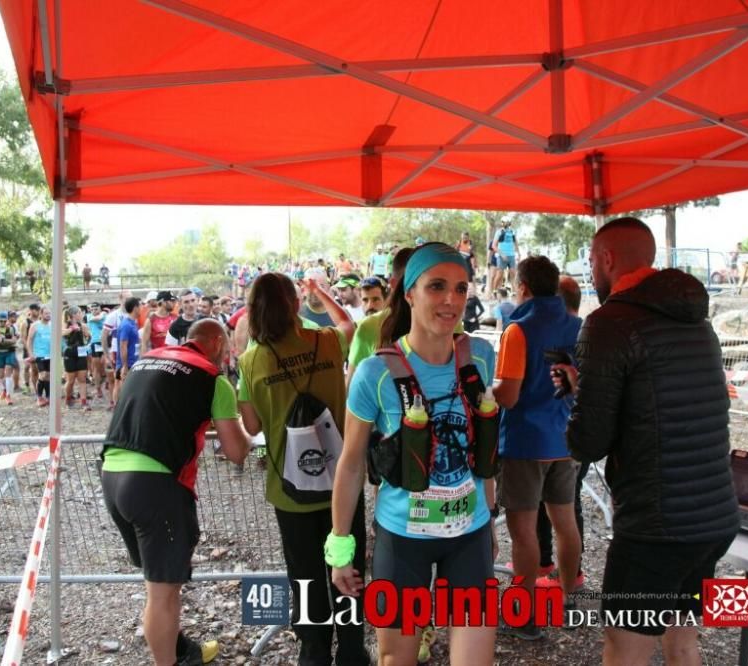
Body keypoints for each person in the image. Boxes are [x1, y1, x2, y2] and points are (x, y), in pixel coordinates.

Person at [559, 217, 739, 665]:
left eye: (591, 261)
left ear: (606, 259)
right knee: (683, 643)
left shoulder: (609, 323)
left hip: (657, 527)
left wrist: (581, 398)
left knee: (624, 648)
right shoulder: (699, 320)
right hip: (716, 517)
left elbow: (588, 443)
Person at [330, 243, 497, 664]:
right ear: (409, 293)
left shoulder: (479, 357)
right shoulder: (376, 373)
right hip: (403, 539)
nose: (451, 300)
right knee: (396, 659)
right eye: (437, 287)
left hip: (469, 535)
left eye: (461, 289)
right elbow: (350, 465)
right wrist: (340, 549)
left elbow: (485, 448)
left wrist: (490, 518)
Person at [102, 319, 249, 666]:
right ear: (214, 342)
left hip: (111, 474)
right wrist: (248, 437)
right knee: (163, 595)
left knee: (157, 585)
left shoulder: (149, 358)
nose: (225, 357)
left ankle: (180, 649)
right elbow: (235, 451)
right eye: (226, 349)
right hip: (156, 486)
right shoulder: (212, 379)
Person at [237, 272, 365, 666]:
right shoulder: (325, 342)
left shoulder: (251, 360)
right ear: (295, 306)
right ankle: (352, 653)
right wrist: (321, 294)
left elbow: (253, 426)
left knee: (305, 576)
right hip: (341, 489)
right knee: (350, 572)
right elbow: (349, 324)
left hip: (289, 491)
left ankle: (313, 653)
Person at [493, 256, 582, 639]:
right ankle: (566, 597)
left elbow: (509, 397)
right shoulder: (579, 326)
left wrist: (489, 388)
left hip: (526, 444)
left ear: (523, 287)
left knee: (524, 530)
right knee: (565, 523)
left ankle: (523, 614)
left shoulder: (519, 330)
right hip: (566, 440)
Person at [534, 276, 589, 589]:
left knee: (568, 505)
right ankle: (545, 564)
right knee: (552, 502)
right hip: (562, 436)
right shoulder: (581, 332)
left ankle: (571, 580)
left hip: (569, 437)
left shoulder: (579, 335)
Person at [345, 247, 414, 388]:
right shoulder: (367, 328)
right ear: (395, 284)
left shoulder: (447, 322)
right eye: (365, 300)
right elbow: (351, 389)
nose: (370, 305)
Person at [62, 306, 92, 410]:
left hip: (81, 352)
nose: (82, 315)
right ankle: (68, 399)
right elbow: (61, 333)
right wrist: (71, 329)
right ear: (74, 315)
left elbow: (89, 336)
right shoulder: (65, 324)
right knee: (70, 380)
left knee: (82, 379)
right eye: (80, 313)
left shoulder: (83, 325)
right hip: (69, 353)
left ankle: (84, 402)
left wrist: (87, 335)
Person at [0, 310, 20, 405]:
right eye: (0, 321)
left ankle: (9, 396)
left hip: (9, 352)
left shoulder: (10, 328)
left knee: (8, 372)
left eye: (4, 321)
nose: (2, 323)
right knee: (1, 375)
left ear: (7, 320)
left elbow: (14, 340)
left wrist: (3, 340)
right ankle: (5, 390)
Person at [116, 297, 142, 399]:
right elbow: (123, 346)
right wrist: (125, 366)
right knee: (125, 392)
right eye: (140, 306)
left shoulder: (133, 323)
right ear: (135, 308)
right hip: (127, 364)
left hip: (134, 362)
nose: (142, 308)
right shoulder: (126, 325)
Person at [27, 306, 53, 407]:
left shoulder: (52, 325)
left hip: (50, 354)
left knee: (48, 376)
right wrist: (31, 353)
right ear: (41, 315)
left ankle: (48, 396)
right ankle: (39, 397)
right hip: (39, 354)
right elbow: (29, 340)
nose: (48, 315)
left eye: (49, 313)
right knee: (42, 375)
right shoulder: (35, 325)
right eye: (46, 314)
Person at [87, 302, 107, 403]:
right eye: (92, 309)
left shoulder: (105, 315)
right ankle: (98, 388)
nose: (94, 311)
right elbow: (97, 319)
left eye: (96, 309)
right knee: (96, 366)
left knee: (105, 363)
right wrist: (102, 314)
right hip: (95, 343)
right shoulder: (89, 316)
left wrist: (103, 314)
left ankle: (106, 379)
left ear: (100, 309)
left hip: (105, 342)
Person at [20, 304, 41, 395]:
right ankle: (28, 385)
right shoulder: (25, 323)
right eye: (36, 309)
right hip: (29, 349)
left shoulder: (41, 321)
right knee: (29, 368)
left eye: (38, 309)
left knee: (39, 368)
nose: (37, 311)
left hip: (39, 348)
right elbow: (23, 338)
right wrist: (29, 349)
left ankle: (39, 387)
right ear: (31, 310)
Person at [492, 220, 520, 289]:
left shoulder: (512, 232)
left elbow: (516, 243)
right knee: (499, 274)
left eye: (507, 222)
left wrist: (519, 253)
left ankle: (515, 292)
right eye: (504, 222)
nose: (505, 224)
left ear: (509, 223)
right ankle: (494, 291)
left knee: (513, 274)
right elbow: (494, 246)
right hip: (502, 256)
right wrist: (502, 254)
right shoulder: (499, 232)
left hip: (511, 255)